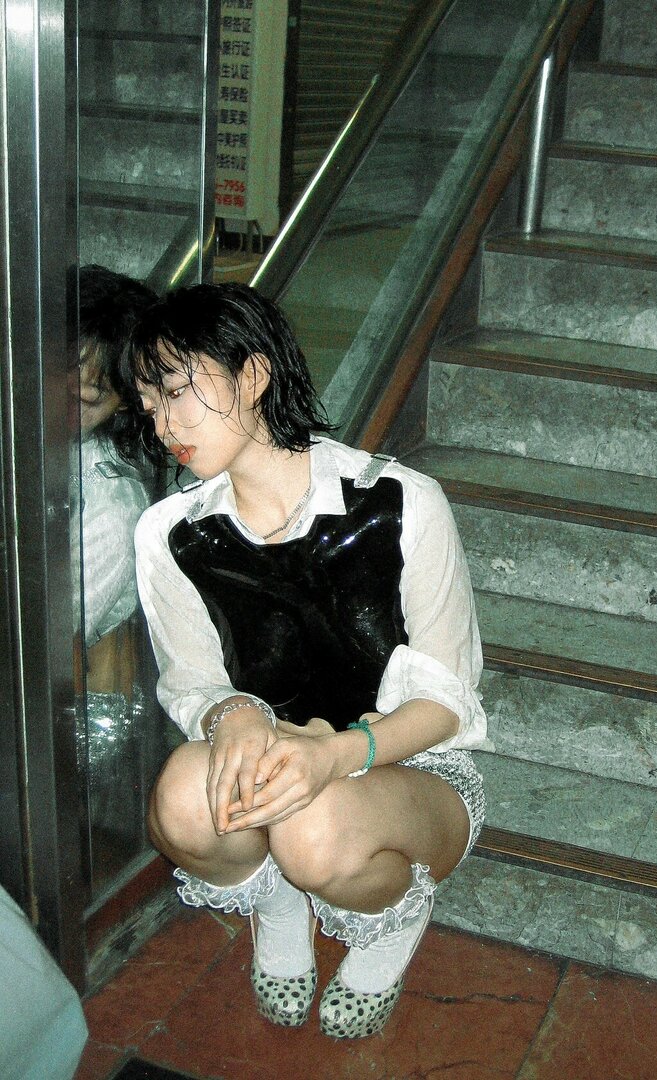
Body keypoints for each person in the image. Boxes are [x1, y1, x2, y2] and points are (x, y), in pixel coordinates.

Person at [116, 282, 487, 1037]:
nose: (163, 425)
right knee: (181, 803)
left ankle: (388, 918)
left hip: (408, 768)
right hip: (272, 759)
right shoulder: (170, 534)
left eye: (177, 392)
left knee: (313, 834)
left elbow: (448, 703)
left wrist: (337, 756)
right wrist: (234, 713)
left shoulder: (400, 502)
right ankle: (277, 900)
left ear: (252, 375)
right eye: (150, 405)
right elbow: (193, 682)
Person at [73, 266, 156, 843]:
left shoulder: (108, 502)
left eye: (86, 396)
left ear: (125, 404)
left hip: (70, 730)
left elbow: (45, 637)